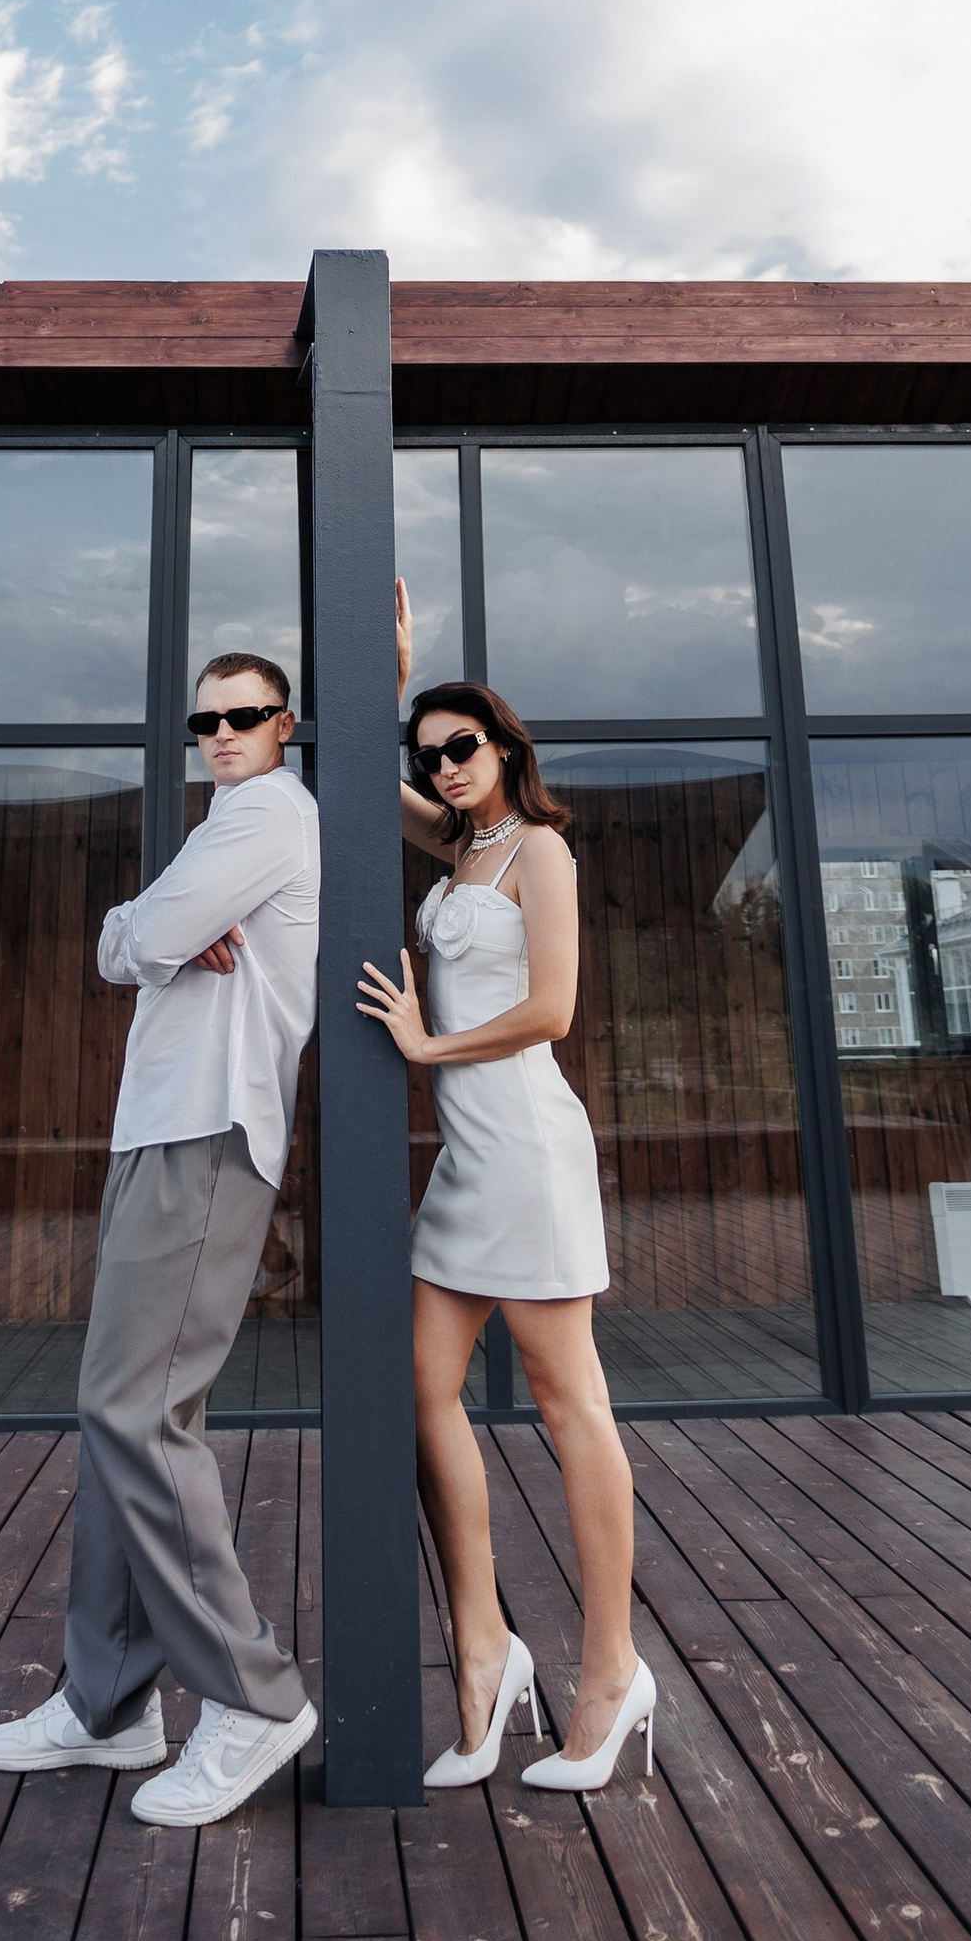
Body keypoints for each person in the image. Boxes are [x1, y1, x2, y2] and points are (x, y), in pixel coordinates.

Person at [0, 652, 320, 1828]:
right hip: (161, 1131)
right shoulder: (227, 819)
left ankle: (253, 1691)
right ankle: (111, 1700)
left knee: (138, 1411)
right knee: (118, 1414)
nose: (221, 732)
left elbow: (133, 936)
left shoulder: (268, 814)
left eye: (243, 715)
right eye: (204, 718)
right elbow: (125, 944)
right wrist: (152, 934)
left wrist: (153, 932)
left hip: (209, 1132)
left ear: (284, 723)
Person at [355, 589, 655, 1792]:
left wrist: (425, 1047)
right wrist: (389, 683)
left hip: (526, 1145)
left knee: (566, 1399)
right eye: (428, 754)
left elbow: (550, 1010)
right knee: (420, 1394)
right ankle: (485, 1646)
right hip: (467, 1161)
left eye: (461, 746)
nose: (443, 766)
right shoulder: (461, 845)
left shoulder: (538, 849)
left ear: (507, 750)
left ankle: (611, 1668)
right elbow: (383, 800)